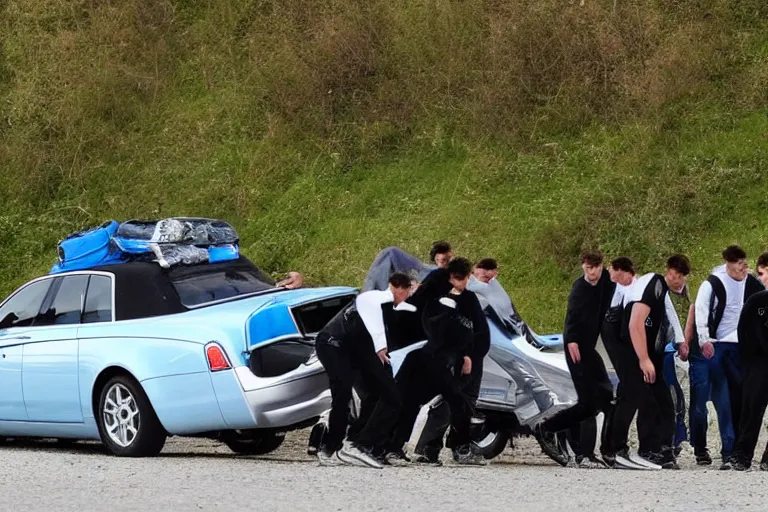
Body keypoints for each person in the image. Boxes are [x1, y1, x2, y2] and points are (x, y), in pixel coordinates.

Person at [386, 257, 489, 465]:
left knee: (458, 403)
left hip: (455, 360)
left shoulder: (467, 300)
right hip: (432, 357)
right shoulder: (434, 296)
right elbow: (415, 318)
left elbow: (478, 332)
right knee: (415, 401)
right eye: (454, 279)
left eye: (460, 279)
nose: (456, 284)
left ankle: (455, 447)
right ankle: (399, 446)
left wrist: (470, 355)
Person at [314, 272, 415, 468]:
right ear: (399, 288)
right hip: (333, 344)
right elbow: (365, 332)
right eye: (408, 291)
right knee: (342, 394)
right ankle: (329, 447)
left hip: (352, 347)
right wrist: (379, 351)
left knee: (375, 394)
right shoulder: (378, 299)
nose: (409, 296)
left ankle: (355, 442)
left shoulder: (390, 307)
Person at [603, 256, 688, 470]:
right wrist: (643, 359)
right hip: (630, 348)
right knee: (635, 396)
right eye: (682, 278)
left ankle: (659, 449)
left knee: (662, 400)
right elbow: (635, 324)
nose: (682, 284)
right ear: (674, 274)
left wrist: (679, 341)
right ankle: (615, 449)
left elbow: (669, 314)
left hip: (648, 350)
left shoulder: (660, 288)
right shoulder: (654, 284)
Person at [534, 250, 617, 469]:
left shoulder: (607, 281)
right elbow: (571, 316)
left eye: (596, 267)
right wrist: (571, 340)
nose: (592, 272)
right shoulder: (579, 288)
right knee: (588, 403)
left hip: (589, 349)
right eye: (588, 268)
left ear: (602, 266)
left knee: (607, 394)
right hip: (576, 349)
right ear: (583, 267)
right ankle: (557, 434)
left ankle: (608, 449)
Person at [690, 245, 763, 469]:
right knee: (716, 399)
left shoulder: (751, 283)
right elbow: (701, 310)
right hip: (716, 346)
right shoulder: (713, 283)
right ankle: (708, 447)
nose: (744, 268)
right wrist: (704, 340)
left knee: (739, 398)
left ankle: (734, 451)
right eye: (739, 264)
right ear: (728, 264)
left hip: (740, 347)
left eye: (745, 263)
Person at [732, 256, 768, 471]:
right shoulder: (756, 301)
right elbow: (743, 332)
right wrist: (747, 364)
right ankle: (742, 456)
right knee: (751, 410)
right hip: (758, 365)